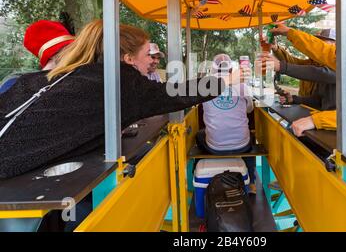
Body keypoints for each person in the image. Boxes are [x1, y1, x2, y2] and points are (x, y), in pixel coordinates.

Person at [0, 20, 245, 179]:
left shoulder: (65, 76)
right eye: (146, 53)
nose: (151, 59)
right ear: (128, 59)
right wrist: (226, 82)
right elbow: (174, 94)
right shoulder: (121, 81)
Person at [196, 54, 256, 192]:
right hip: (242, 146)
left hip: (214, 147)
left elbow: (202, 108)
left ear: (213, 69)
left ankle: (197, 175)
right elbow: (249, 109)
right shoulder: (242, 86)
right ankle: (251, 182)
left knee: (199, 135)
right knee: (251, 137)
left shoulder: (204, 86)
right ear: (230, 70)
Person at [258, 29, 337, 111]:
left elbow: (316, 72)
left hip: (328, 119)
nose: (317, 48)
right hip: (307, 109)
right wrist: (276, 48)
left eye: (323, 44)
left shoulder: (339, 67)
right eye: (317, 43)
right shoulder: (312, 62)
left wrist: (280, 66)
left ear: (335, 46)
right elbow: (318, 100)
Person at [0, 20, 75, 94]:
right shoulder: (14, 83)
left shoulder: (73, 75)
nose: (75, 53)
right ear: (53, 54)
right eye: (69, 49)